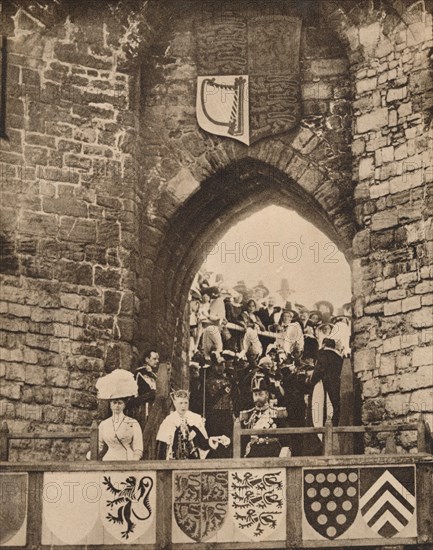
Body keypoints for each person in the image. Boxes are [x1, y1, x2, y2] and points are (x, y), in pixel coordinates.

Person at [156, 389, 229, 459]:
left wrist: (214, 439)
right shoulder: (168, 421)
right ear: (175, 403)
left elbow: (202, 443)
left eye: (185, 403)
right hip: (173, 462)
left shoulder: (195, 418)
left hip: (192, 461)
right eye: (180, 403)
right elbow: (161, 449)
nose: (183, 406)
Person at [95, 369, 143, 461]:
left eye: (120, 403)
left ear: (124, 405)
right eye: (114, 403)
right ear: (110, 404)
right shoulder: (104, 424)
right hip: (108, 460)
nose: (117, 406)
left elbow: (138, 448)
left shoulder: (133, 423)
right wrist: (91, 454)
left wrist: (134, 460)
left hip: (127, 460)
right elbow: (99, 446)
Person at [239, 373, 290, 458]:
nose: (257, 397)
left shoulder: (277, 413)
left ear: (266, 395)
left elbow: (286, 439)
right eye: (255, 395)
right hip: (254, 453)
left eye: (260, 394)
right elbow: (244, 441)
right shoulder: (248, 415)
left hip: (272, 451)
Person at [310, 338, 344, 426]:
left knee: (321, 410)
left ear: (324, 345)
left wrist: (311, 381)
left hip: (324, 385)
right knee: (335, 407)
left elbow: (318, 371)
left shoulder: (322, 354)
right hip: (336, 385)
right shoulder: (339, 358)